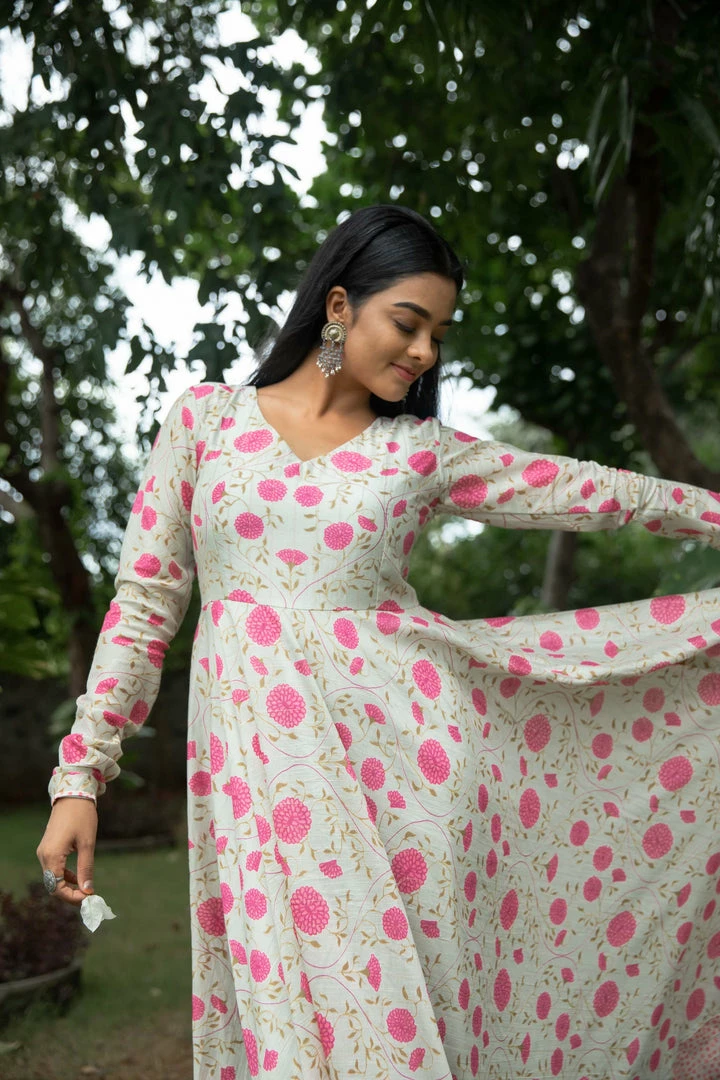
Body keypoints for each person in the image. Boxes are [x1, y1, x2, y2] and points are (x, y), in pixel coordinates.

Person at [38, 204, 720, 1080]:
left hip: (412, 778)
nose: (426, 351)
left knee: (399, 1028)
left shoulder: (418, 452)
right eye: (409, 322)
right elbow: (144, 604)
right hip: (253, 776)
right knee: (291, 1022)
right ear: (338, 306)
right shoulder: (206, 422)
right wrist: (81, 776)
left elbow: (588, 492)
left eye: (439, 333)